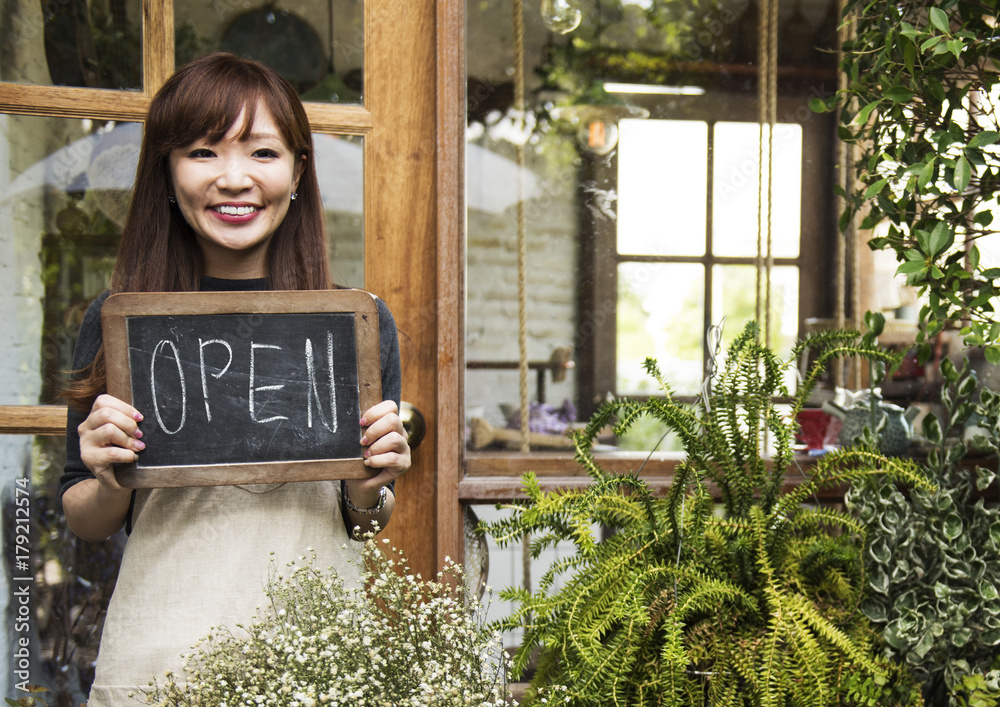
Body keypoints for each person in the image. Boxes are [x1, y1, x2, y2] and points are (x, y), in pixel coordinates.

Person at [59, 52, 410, 705]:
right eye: (202, 152)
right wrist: (106, 474)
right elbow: (84, 514)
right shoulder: (118, 322)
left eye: (262, 153)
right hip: (160, 656)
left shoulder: (357, 324)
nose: (234, 178)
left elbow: (363, 522)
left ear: (299, 171)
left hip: (317, 659)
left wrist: (370, 484)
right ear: (166, 171)